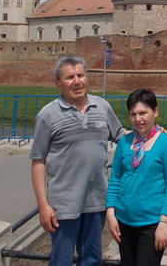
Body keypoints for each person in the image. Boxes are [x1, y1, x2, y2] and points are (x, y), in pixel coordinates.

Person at [30, 55, 124, 266]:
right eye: (70, 77)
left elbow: (121, 136)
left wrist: (151, 134)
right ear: (58, 83)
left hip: (96, 200)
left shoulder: (102, 107)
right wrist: (43, 205)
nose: (77, 81)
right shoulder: (48, 115)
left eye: (80, 75)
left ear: (87, 78)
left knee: (91, 260)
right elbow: (38, 162)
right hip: (63, 204)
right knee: (61, 260)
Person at [106, 89, 167, 266]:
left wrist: (164, 221)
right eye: (133, 114)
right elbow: (115, 178)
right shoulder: (124, 142)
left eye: (143, 113)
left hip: (152, 223)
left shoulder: (166, 143)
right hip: (124, 220)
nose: (138, 119)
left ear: (155, 112)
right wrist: (111, 212)